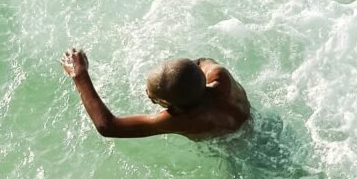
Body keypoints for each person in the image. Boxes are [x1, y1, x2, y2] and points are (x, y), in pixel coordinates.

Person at [61, 50, 251, 140]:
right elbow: (200, 62)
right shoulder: (219, 75)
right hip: (253, 122)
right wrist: (177, 76)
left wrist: (80, 76)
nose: (146, 93)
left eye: (152, 97)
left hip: (231, 145)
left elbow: (108, 127)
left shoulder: (181, 120)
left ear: (171, 106)